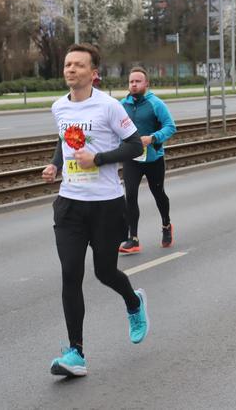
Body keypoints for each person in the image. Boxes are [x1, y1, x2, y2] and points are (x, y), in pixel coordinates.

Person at [42, 43, 149, 377]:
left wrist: (99, 159)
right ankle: (76, 353)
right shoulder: (59, 107)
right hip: (70, 204)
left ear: (93, 72)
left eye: (78, 65)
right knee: (71, 274)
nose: (70, 70)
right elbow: (65, 141)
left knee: (104, 272)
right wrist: (55, 164)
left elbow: (133, 145)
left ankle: (133, 302)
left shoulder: (109, 107)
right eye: (67, 64)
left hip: (106, 204)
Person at [119, 66, 177, 254]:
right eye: (131, 82)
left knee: (158, 194)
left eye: (138, 81)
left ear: (146, 84)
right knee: (131, 196)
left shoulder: (156, 104)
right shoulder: (122, 105)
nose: (134, 85)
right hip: (131, 158)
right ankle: (133, 238)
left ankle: (166, 225)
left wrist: (152, 138)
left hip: (153, 158)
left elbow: (170, 127)